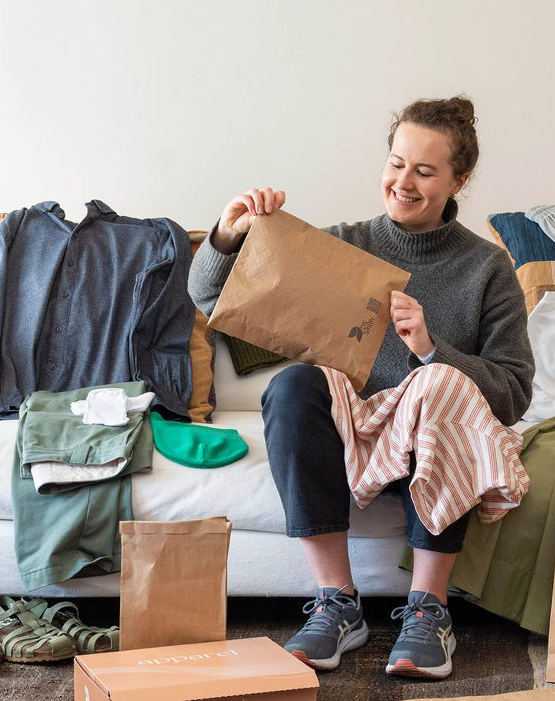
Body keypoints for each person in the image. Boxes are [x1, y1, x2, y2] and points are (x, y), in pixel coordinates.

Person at [188, 96, 533, 680]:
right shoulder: (343, 245)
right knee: (294, 383)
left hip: (438, 438)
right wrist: (229, 233)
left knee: (438, 382)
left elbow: (514, 392)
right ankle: (336, 604)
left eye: (424, 171)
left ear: (459, 180)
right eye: (397, 163)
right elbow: (209, 299)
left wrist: (431, 350)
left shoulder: (487, 268)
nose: (404, 182)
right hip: (353, 437)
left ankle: (429, 611)